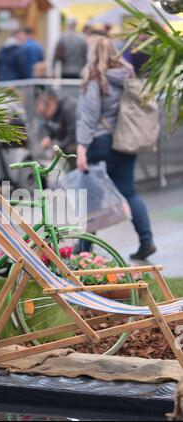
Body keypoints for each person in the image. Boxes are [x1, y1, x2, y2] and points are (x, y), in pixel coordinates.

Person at [76, 37, 156, 260]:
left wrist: (81, 148)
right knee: (128, 192)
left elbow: (88, 117)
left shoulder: (95, 78)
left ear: (92, 54)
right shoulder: (127, 75)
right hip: (125, 140)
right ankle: (146, 240)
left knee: (92, 197)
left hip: (100, 143)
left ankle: (83, 250)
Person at [36, 89, 77, 157]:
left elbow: (73, 135)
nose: (45, 116)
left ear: (52, 102)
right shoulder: (53, 110)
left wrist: (59, 149)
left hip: (83, 144)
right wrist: (47, 136)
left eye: (45, 113)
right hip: (67, 142)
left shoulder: (68, 108)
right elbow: (48, 127)